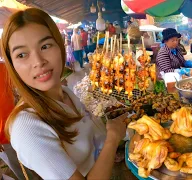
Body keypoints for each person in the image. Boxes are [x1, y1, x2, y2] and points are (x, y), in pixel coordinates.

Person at [0, 8, 127, 179]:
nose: (38, 62)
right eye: (22, 54)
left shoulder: (66, 93)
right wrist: (113, 138)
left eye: (45, 46)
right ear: (12, 64)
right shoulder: (27, 127)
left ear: (60, 46)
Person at [0, 61, 33, 179]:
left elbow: (19, 90)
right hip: (3, 137)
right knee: (22, 172)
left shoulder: (5, 68)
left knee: (34, 160)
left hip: (21, 124)